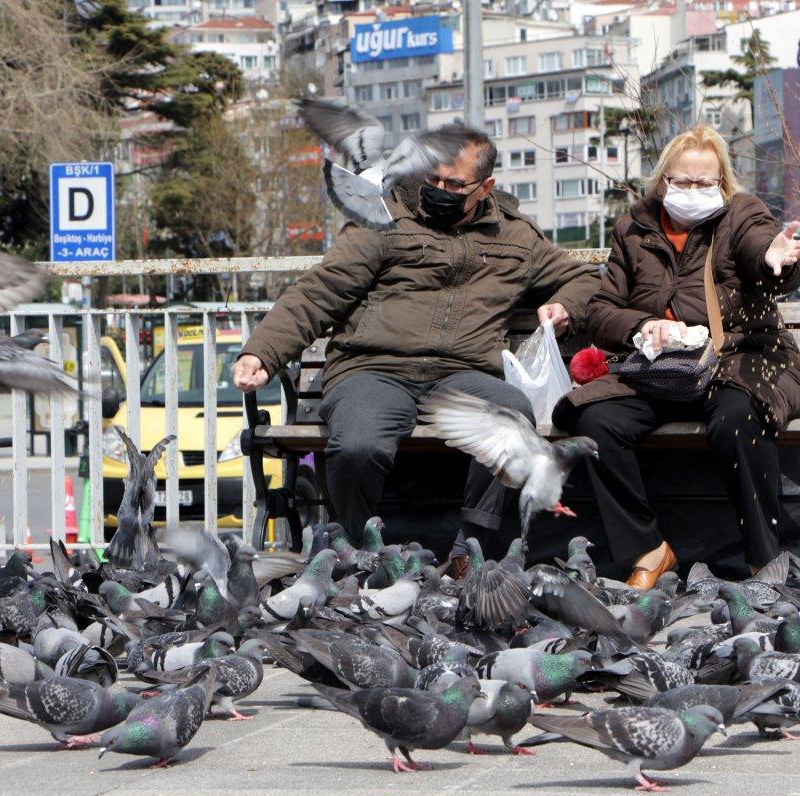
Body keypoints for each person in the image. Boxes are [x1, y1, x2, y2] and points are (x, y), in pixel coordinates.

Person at [233, 124, 599, 563]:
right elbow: (319, 291)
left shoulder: (517, 237)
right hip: (373, 369)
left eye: (454, 185)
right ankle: (355, 552)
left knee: (512, 414)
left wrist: (564, 306)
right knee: (357, 446)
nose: (440, 190)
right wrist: (263, 352)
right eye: (433, 179)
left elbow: (582, 280)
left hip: (463, 376)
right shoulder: (383, 220)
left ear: (486, 187)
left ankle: (471, 550)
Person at [553, 124, 800, 589]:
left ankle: (763, 559)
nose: (692, 191)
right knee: (595, 423)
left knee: (737, 417)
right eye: (682, 182)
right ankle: (648, 550)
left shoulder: (742, 214)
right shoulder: (633, 226)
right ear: (663, 181)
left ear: (722, 183)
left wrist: (781, 258)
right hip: (659, 368)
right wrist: (641, 326)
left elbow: (763, 251)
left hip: (738, 359)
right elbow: (600, 311)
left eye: (704, 183)